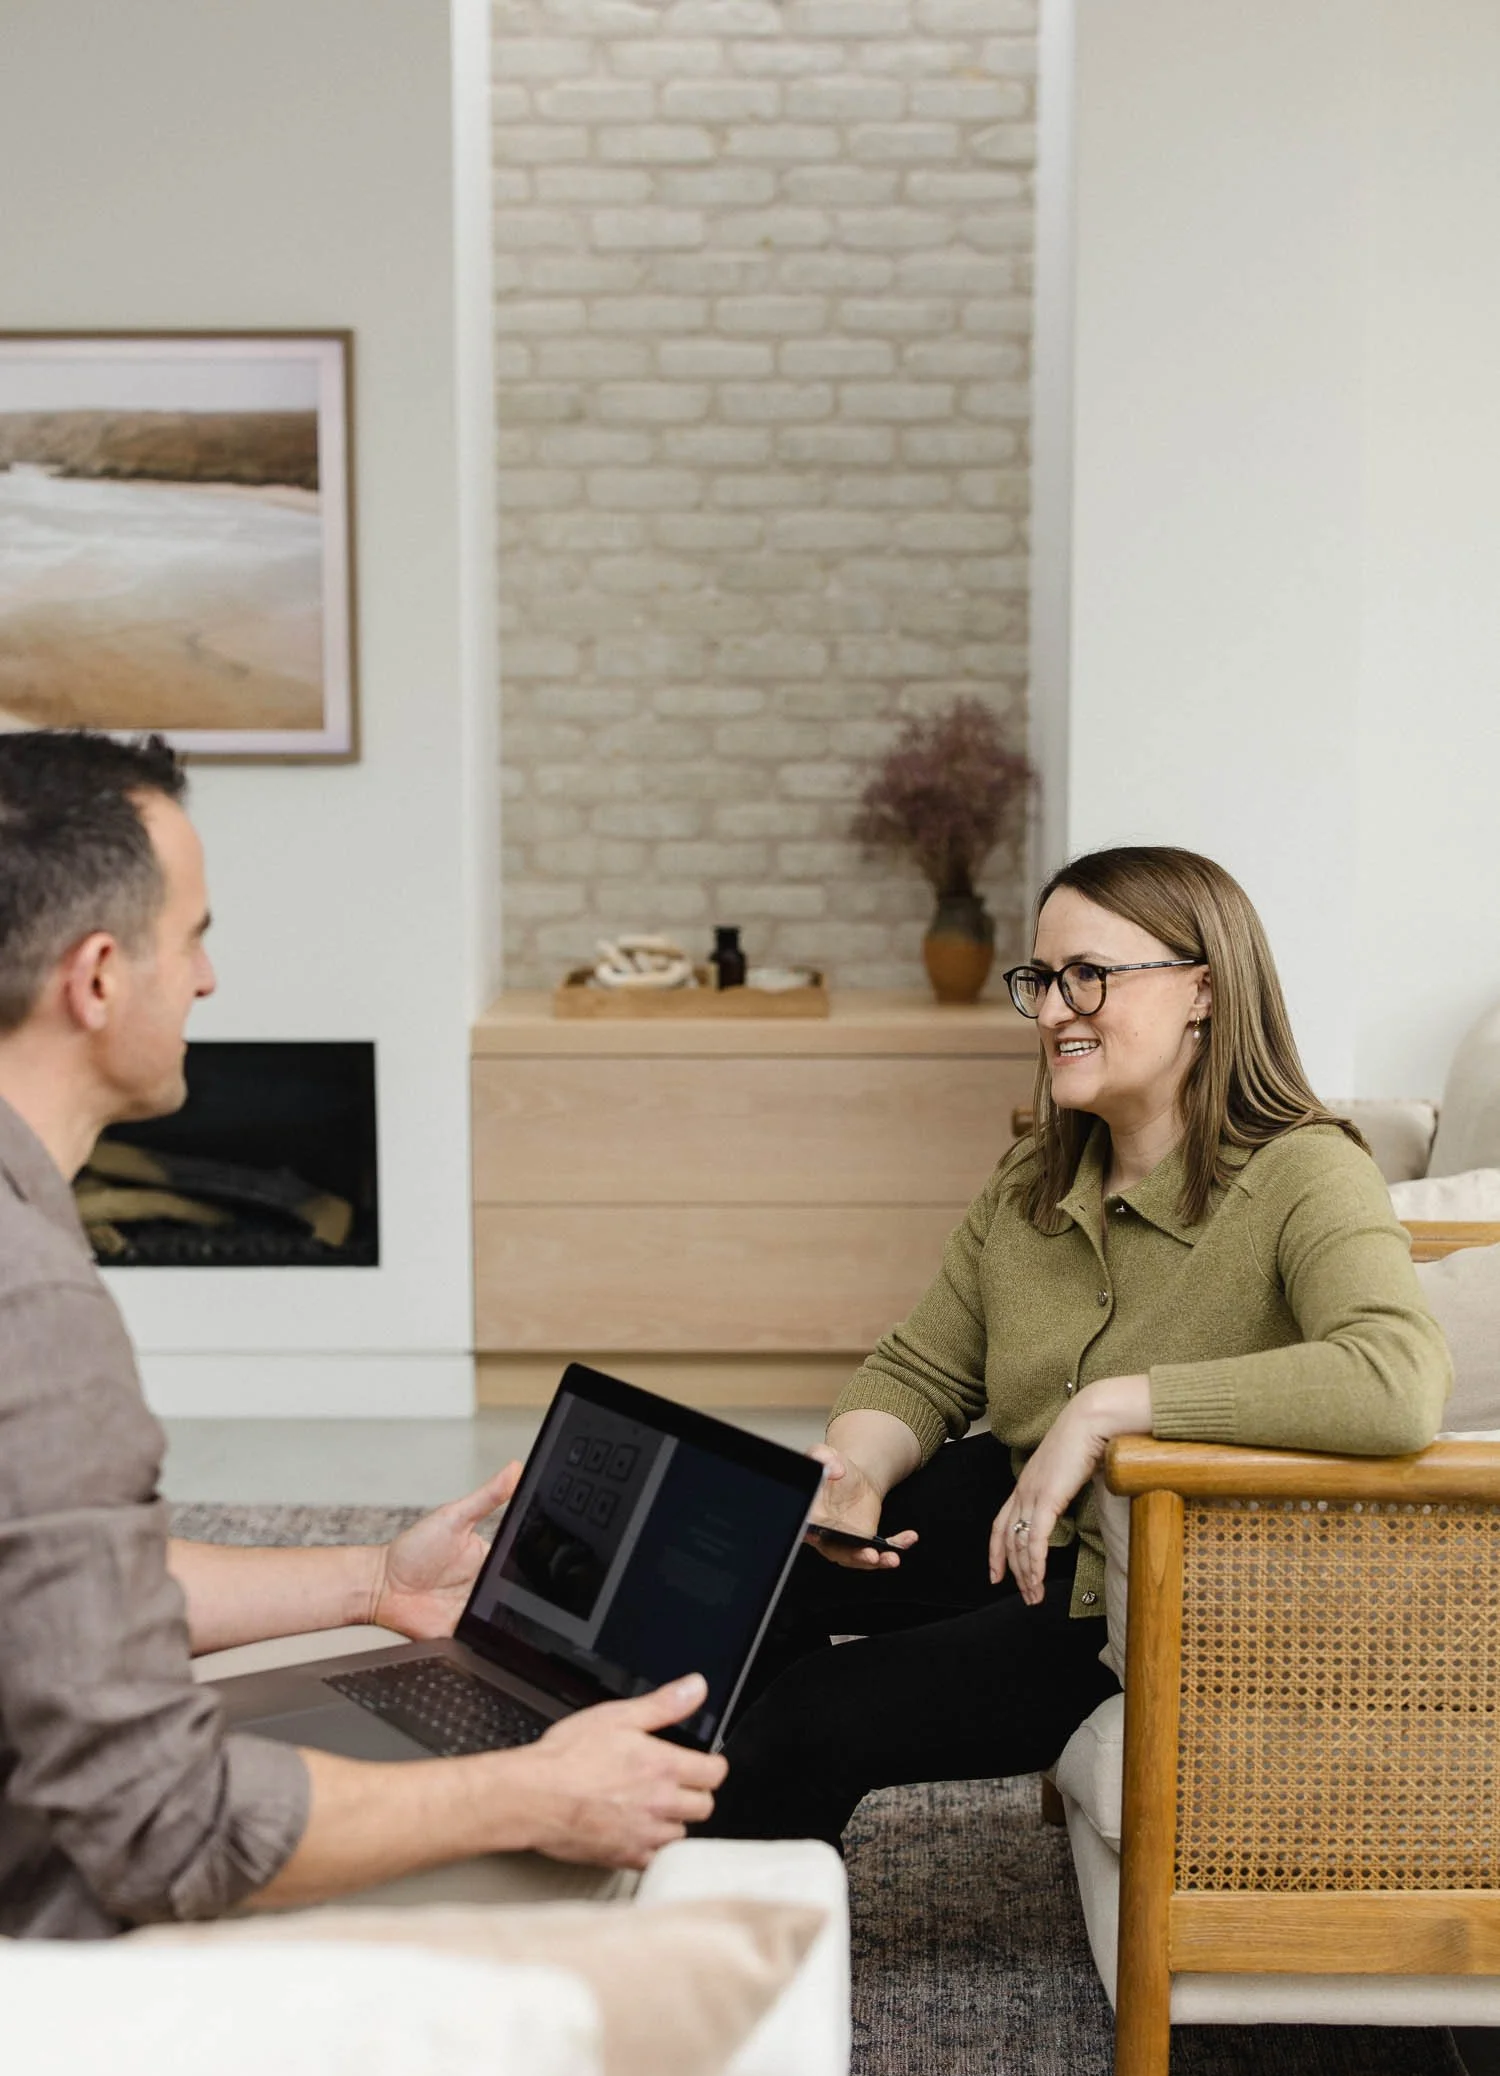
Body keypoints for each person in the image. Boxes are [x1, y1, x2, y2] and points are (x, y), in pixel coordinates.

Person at [0, 730, 725, 1939]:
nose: (211, 980)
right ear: (97, 978)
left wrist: (370, 1581)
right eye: (194, 939)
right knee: (606, 1872)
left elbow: (50, 1582)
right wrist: (529, 1793)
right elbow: (163, 1826)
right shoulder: (33, 1306)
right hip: (49, 1953)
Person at [706, 844, 1452, 1846]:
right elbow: (919, 1367)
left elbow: (1397, 1381)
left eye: (1089, 977)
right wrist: (856, 1471)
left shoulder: (1306, 1175)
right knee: (740, 1569)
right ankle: (656, 1853)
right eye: (1043, 980)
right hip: (1016, 1527)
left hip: (1140, 1593)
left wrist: (1111, 1408)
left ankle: (712, 1955)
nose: (1056, 1009)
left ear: (1202, 990)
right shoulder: (1035, 1178)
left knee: (816, 1716)